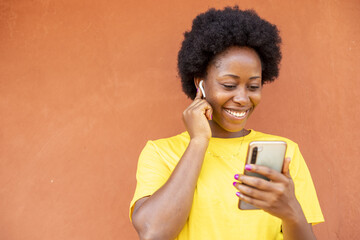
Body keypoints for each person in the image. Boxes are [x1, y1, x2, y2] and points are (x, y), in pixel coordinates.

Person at [129, 6, 324, 240]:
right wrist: (199, 141)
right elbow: (153, 233)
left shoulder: (285, 154)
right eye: (229, 86)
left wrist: (291, 212)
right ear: (200, 84)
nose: (242, 99)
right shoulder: (161, 153)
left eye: (253, 86)